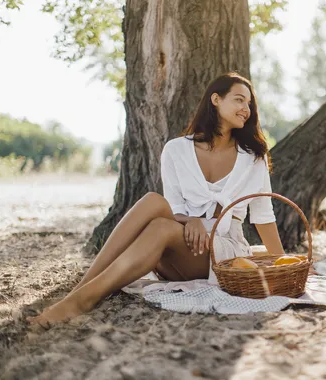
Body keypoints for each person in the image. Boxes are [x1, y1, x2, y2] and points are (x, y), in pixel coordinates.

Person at [29, 72, 285, 326]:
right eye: (239, 100)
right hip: (177, 246)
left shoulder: (254, 158)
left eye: (249, 104)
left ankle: (83, 299)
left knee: (161, 228)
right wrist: (192, 221)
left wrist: (284, 265)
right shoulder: (176, 149)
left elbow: (263, 216)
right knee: (154, 201)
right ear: (216, 99)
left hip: (223, 251)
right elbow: (172, 207)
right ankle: (82, 288)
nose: (246, 109)